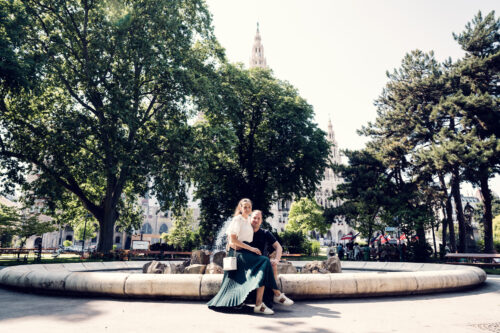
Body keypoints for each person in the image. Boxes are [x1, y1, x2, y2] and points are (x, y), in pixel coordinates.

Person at [207, 199, 293, 315]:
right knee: (264, 261)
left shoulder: (248, 222)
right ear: (240, 208)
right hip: (240, 255)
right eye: (245, 207)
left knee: (265, 262)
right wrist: (249, 248)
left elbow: (278, 247)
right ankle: (276, 295)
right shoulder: (238, 219)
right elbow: (232, 240)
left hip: (247, 255)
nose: (247, 209)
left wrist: (276, 260)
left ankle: (260, 304)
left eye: (249, 207)